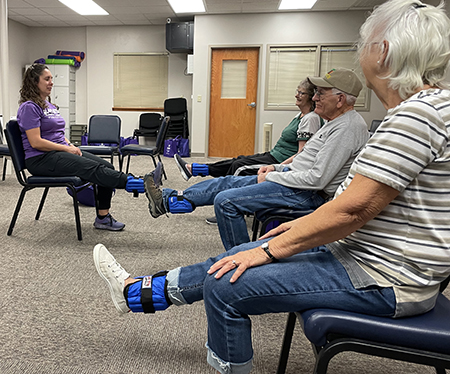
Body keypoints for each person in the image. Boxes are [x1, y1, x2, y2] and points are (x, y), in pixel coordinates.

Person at [94, 1, 450, 373]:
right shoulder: (425, 109)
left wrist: (273, 249)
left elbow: (353, 208)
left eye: (366, 42)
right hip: (366, 257)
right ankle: (137, 292)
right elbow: (358, 201)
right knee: (240, 253)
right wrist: (287, 234)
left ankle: (156, 300)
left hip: (382, 277)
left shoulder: (418, 115)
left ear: (384, 52)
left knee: (226, 285)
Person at [144, 68, 369, 250]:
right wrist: (277, 169)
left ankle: (245, 261)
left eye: (321, 93)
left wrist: (274, 175)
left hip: (306, 194)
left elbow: (318, 180)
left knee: (226, 201)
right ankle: (168, 201)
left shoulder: (347, 128)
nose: (315, 97)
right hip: (292, 180)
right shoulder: (334, 121)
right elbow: (304, 161)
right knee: (226, 182)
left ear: (340, 99)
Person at [17, 64, 152, 231]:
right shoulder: (29, 107)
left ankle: (103, 217)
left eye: (52, 78)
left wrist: (69, 145)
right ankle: (135, 183)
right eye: (47, 79)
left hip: (57, 152)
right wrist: (66, 149)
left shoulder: (48, 105)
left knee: (107, 166)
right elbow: (36, 142)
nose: (51, 82)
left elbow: (57, 133)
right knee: (93, 169)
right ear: (34, 82)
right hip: (40, 159)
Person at [174, 79, 322, 181]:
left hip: (279, 160)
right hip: (274, 154)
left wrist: (278, 167)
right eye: (297, 91)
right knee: (238, 160)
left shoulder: (310, 119)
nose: (297, 95)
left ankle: (226, 201)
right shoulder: (300, 116)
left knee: (239, 167)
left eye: (302, 93)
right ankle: (194, 169)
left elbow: (301, 154)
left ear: (311, 98)